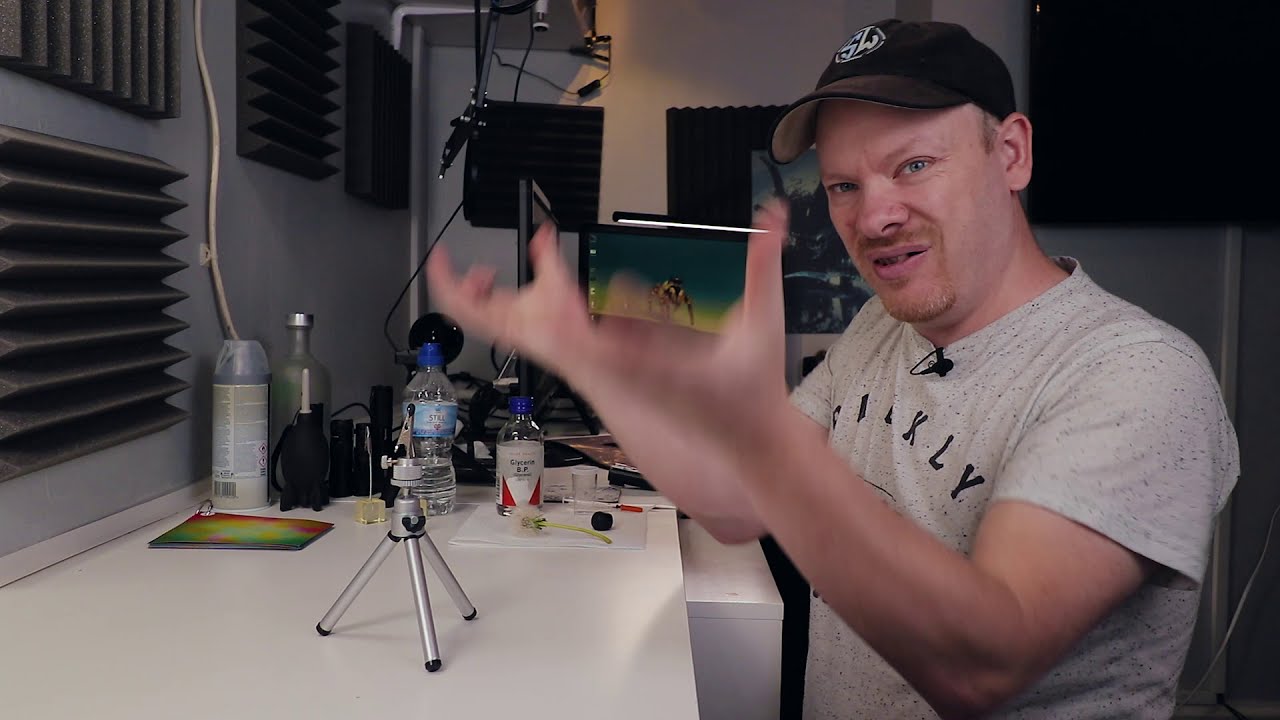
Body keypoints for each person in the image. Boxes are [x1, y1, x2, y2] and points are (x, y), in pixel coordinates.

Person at [427, 18, 1240, 719]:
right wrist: (584, 358)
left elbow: (981, 667)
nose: (874, 215)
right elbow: (738, 504)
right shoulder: (880, 332)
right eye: (844, 184)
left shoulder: (1138, 376)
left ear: (1013, 153)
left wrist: (757, 434)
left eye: (914, 165)